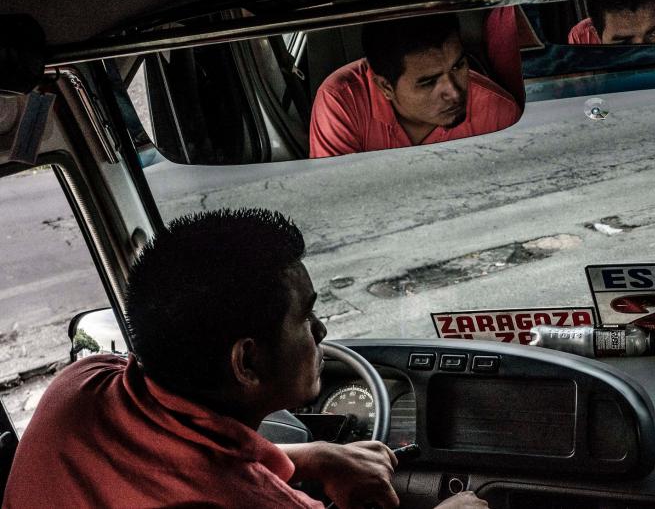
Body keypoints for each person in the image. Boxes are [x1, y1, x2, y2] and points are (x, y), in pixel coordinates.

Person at [3, 209, 486, 509]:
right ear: (246, 363)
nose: (321, 331)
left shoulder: (77, 386)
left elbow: (175, 461)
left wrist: (314, 456)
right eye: (306, 316)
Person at [309, 14, 521, 158]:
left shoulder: (498, 113)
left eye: (458, 66)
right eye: (428, 82)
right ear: (385, 87)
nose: (454, 92)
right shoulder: (341, 100)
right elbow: (338, 197)